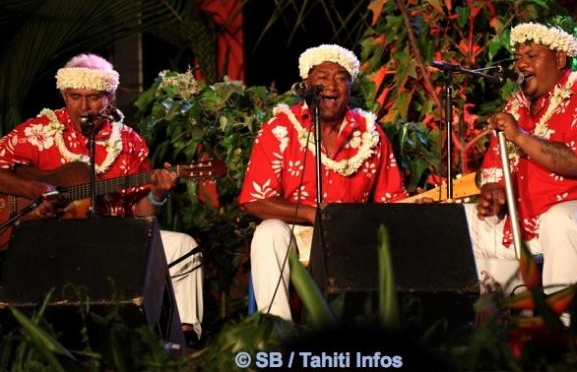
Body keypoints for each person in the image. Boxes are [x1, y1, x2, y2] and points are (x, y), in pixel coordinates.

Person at [0, 53, 204, 340]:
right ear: (64, 95)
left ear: (110, 98)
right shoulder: (37, 132)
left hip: (110, 240)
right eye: (75, 97)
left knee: (182, 246)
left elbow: (140, 216)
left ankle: (183, 339)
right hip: (44, 240)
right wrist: (34, 190)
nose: (84, 107)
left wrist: (158, 193)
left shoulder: (130, 142)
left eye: (94, 97)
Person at [238, 44, 408, 320]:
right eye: (323, 77)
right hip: (295, 233)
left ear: (350, 87)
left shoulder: (370, 133)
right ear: (306, 84)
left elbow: (393, 199)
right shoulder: (280, 129)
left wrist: (417, 209)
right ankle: (277, 329)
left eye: (341, 78)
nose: (331, 85)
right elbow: (254, 201)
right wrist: (313, 214)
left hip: (352, 234)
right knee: (268, 232)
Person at [466, 22, 577, 296]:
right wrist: (493, 192)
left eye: (531, 56)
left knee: (560, 222)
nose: (521, 64)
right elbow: (494, 172)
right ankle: (493, 317)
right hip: (525, 216)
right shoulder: (516, 107)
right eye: (518, 57)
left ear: (559, 58)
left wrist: (521, 136)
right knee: (465, 222)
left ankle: (557, 320)